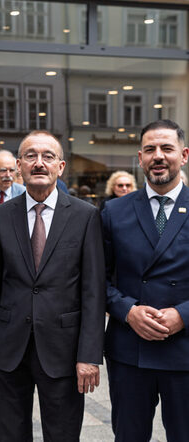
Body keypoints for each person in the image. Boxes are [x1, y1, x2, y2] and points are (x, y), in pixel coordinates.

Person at [0, 130, 105, 441]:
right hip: (9, 350)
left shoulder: (86, 216)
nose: (39, 163)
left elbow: (93, 291)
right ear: (19, 165)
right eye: (30, 156)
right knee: (11, 434)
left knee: (62, 435)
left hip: (64, 351)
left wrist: (89, 355)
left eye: (48, 156)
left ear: (61, 166)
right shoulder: (0, 216)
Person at [102, 119, 189, 441]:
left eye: (167, 148)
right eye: (150, 149)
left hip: (185, 348)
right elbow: (96, 280)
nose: (158, 156)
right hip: (130, 351)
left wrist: (183, 314)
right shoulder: (114, 211)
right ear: (140, 158)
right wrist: (128, 311)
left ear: (184, 155)